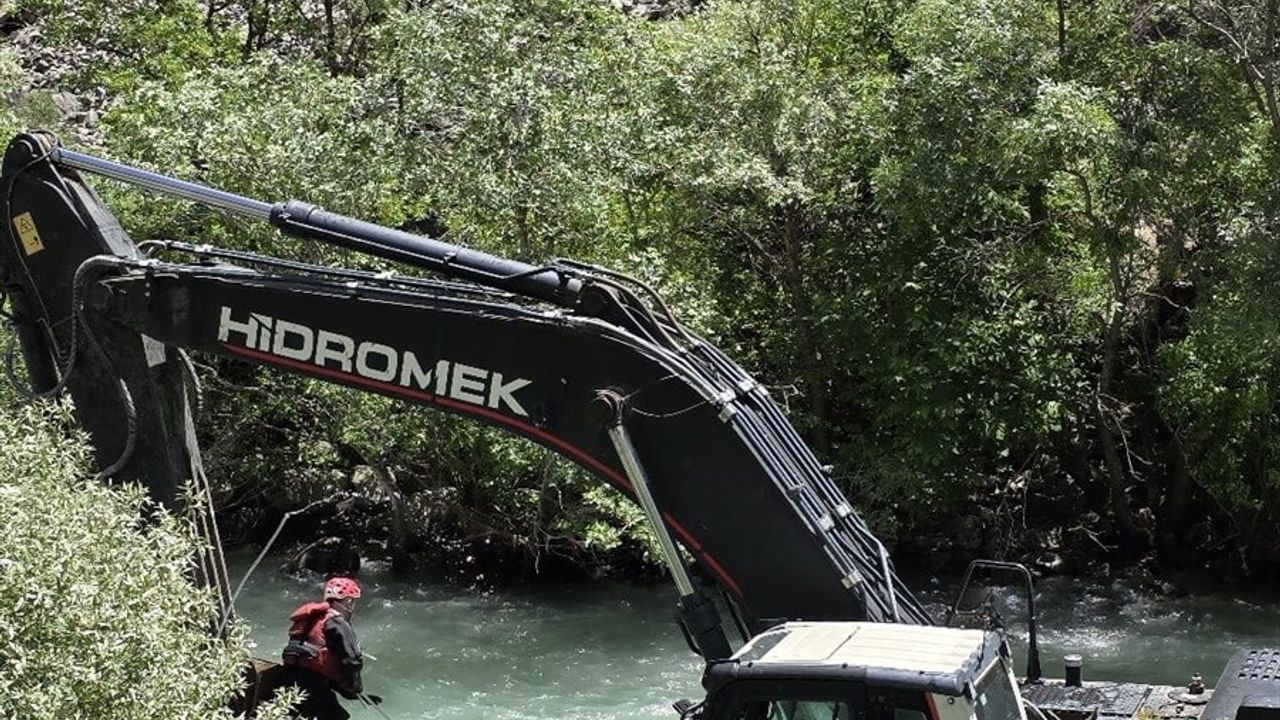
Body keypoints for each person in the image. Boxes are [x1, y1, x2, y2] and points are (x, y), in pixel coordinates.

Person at [266, 576, 380, 720]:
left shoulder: (313, 619)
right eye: (353, 601)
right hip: (312, 686)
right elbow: (353, 662)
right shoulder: (337, 623)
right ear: (349, 601)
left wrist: (351, 695)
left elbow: (318, 666)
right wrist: (357, 689)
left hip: (287, 681)